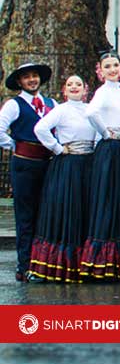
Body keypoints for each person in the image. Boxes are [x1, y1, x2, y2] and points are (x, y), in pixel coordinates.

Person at [26, 75, 94, 283]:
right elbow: (40, 129)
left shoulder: (91, 109)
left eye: (79, 84)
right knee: (67, 210)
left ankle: (84, 264)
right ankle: (59, 266)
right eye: (70, 84)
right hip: (69, 164)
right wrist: (57, 148)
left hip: (89, 164)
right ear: (64, 90)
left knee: (85, 211)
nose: (75, 87)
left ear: (85, 90)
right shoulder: (61, 109)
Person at [0, 61, 55, 282]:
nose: (32, 80)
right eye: (26, 77)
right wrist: (15, 145)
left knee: (46, 213)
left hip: (48, 163)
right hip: (25, 164)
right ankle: (24, 265)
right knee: (26, 215)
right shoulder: (15, 105)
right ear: (20, 82)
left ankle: (43, 263)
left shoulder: (51, 103)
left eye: (35, 76)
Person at [81, 53, 120, 280]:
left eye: (115, 65)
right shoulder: (103, 92)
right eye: (108, 66)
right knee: (108, 198)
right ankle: (99, 260)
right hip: (110, 149)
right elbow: (90, 112)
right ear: (100, 70)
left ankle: (116, 259)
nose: (112, 69)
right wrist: (105, 132)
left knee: (119, 198)